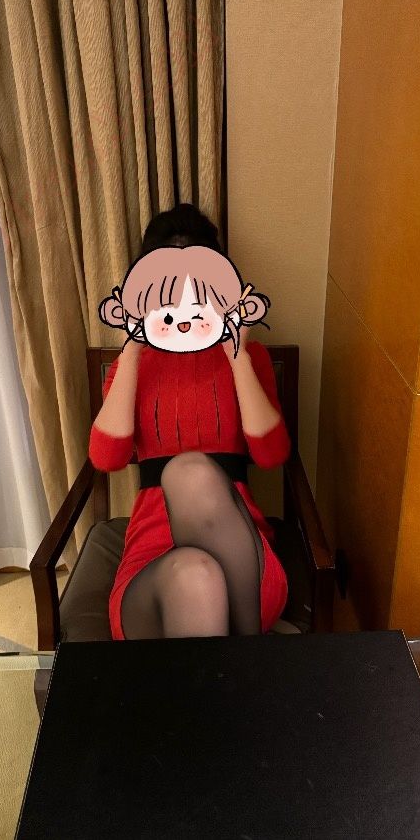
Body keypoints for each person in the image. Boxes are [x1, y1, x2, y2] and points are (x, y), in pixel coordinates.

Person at [88, 203, 291, 639]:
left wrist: (236, 354)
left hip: (243, 563)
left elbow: (272, 454)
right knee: (195, 574)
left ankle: (235, 656)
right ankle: (248, 659)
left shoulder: (248, 357)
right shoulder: (132, 366)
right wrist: (131, 351)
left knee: (191, 471)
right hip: (155, 562)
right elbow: (106, 458)